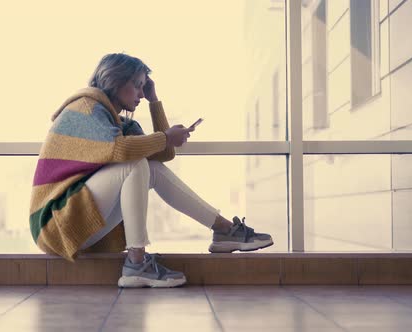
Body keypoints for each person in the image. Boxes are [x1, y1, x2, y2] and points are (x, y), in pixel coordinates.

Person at [29, 53, 273, 288]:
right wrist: (165, 137)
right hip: (54, 223)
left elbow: (162, 155)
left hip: (77, 218)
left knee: (149, 167)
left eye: (143, 87)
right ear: (115, 80)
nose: (140, 94)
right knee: (134, 164)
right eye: (136, 86)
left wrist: (154, 101)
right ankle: (137, 262)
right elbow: (120, 151)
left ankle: (222, 229)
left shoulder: (119, 123)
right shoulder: (85, 107)